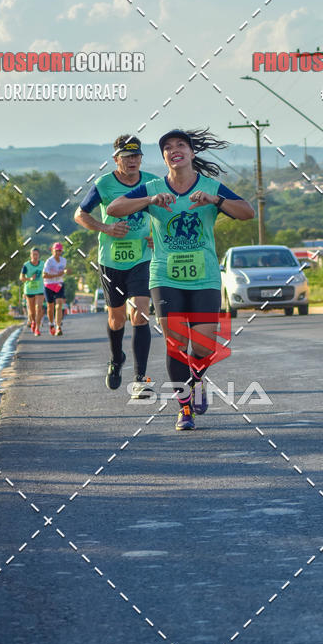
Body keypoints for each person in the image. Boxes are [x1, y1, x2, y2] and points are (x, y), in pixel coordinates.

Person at [107, 128, 254, 431]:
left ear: (191, 153)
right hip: (165, 276)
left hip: (206, 277)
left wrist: (216, 200)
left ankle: (197, 378)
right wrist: (150, 199)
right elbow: (114, 208)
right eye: (168, 147)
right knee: (176, 343)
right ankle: (184, 408)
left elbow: (247, 212)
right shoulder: (154, 186)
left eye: (181, 145)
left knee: (204, 346)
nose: (175, 150)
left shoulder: (211, 186)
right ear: (164, 157)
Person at [74, 135, 159, 397]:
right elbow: (80, 215)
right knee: (116, 318)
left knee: (141, 314)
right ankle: (116, 358)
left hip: (142, 258)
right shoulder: (104, 184)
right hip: (111, 260)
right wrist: (107, 228)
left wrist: (157, 234)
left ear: (141, 158)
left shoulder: (152, 183)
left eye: (136, 156)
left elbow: (168, 213)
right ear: (116, 159)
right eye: (126, 156)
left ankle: (140, 378)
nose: (132, 161)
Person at [43, 242, 69, 336]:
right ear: (52, 250)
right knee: (50, 307)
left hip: (59, 284)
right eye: (56, 250)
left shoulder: (64, 260)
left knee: (59, 305)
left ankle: (58, 327)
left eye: (59, 251)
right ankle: (51, 324)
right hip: (49, 285)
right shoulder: (49, 261)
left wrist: (66, 271)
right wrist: (56, 275)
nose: (58, 252)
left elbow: (64, 271)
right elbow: (44, 275)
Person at [20, 247, 44, 335]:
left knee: (39, 308)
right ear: (30, 255)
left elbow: (47, 272)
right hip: (29, 290)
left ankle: (37, 328)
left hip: (39, 289)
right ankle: (33, 321)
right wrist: (29, 278)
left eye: (36, 254)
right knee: (32, 311)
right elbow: (21, 278)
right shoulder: (26, 265)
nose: (35, 256)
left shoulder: (42, 264)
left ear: (39, 255)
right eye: (33, 255)